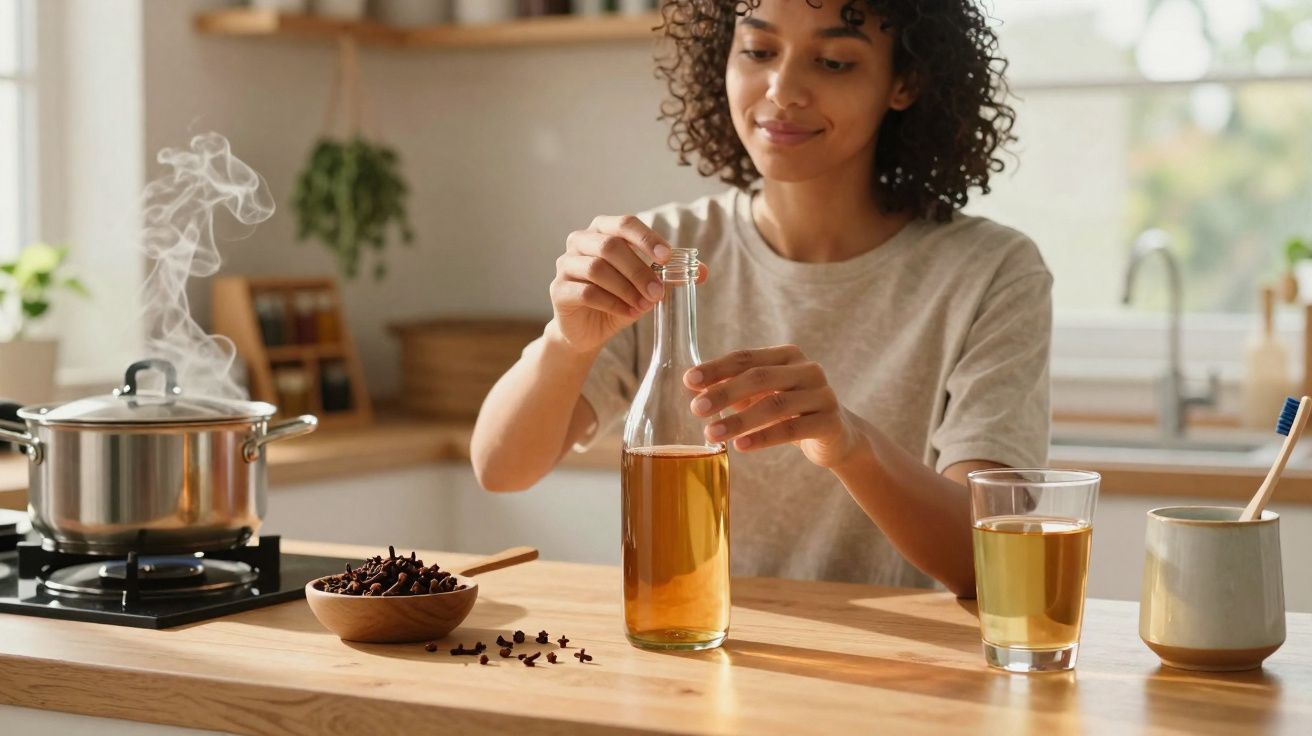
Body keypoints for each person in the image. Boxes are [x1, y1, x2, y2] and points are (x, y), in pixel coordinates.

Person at [471, 0, 1049, 596]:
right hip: (688, 643)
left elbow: (987, 559)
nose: (782, 89)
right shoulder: (667, 255)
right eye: (758, 51)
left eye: (832, 61)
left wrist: (849, 444)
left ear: (904, 83)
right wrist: (567, 341)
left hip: (887, 665)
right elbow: (501, 468)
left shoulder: (991, 271)